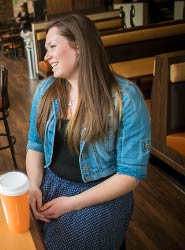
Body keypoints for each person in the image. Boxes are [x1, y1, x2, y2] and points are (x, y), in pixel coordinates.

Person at [26, 14, 150, 249]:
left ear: (80, 47)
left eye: (52, 46)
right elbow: (35, 146)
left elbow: (129, 175)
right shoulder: (45, 90)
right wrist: (33, 186)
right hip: (50, 183)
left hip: (101, 192)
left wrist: (72, 203)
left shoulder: (125, 98)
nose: (46, 56)